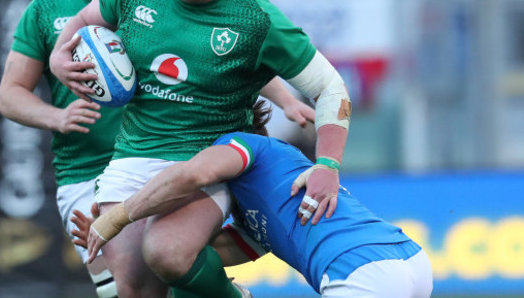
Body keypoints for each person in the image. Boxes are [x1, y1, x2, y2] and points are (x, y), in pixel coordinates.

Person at [49, 0, 351, 298]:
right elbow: (85, 21)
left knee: (168, 254)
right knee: (133, 285)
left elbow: (331, 88)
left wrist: (327, 164)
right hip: (134, 154)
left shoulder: (256, 20)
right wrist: (58, 57)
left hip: (209, 158)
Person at [77, 101, 433, 298]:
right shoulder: (259, 201)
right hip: (409, 258)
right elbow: (195, 258)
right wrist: (124, 247)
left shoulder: (250, 146)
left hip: (358, 270)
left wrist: (119, 216)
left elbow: (192, 175)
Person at [0, 0, 131, 298]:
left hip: (151, 159)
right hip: (83, 173)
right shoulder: (44, 11)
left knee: (174, 265)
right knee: (118, 290)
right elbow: (8, 96)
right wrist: (56, 117)